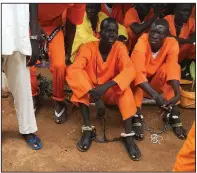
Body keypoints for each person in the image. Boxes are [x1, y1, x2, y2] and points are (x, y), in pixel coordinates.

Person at [66, 17, 141, 161]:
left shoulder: (120, 47)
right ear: (100, 34)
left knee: (125, 91)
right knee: (79, 82)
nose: (111, 34)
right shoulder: (88, 47)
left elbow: (130, 70)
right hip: (92, 91)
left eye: (114, 31)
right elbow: (74, 70)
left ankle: (129, 136)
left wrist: (106, 86)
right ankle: (88, 129)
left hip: (111, 91)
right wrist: (95, 95)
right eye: (107, 31)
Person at [130, 19, 187, 141]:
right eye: (152, 32)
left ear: (166, 35)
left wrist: (177, 95)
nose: (154, 36)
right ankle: (136, 114)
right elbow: (138, 74)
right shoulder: (142, 41)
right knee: (135, 74)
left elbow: (173, 68)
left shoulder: (172, 43)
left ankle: (173, 111)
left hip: (155, 85)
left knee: (172, 67)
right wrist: (156, 96)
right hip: (140, 86)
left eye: (159, 33)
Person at [30, 4, 86, 124]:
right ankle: (33, 95)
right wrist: (34, 32)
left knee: (59, 65)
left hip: (54, 25)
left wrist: (68, 52)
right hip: (29, 21)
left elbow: (72, 23)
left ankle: (59, 99)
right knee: (28, 62)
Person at [2, 4, 42, 150]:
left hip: (17, 33)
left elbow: (33, 3)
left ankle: (28, 128)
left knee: (22, 85)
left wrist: (34, 37)